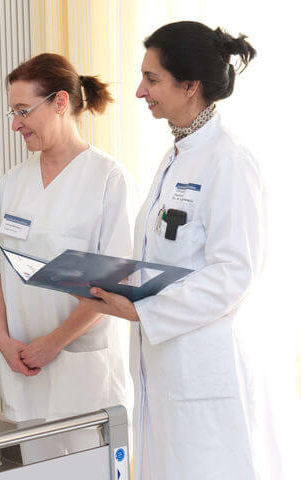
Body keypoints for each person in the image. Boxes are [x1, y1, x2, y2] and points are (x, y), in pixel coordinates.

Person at [78, 21, 266, 479]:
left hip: (201, 371)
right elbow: (170, 258)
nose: (140, 91)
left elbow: (233, 274)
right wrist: (120, 281)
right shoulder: (176, 156)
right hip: (163, 370)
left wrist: (143, 311)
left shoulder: (229, 161)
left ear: (190, 87)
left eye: (152, 79)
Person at [0, 53, 133, 458]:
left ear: (61, 102)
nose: (15, 124)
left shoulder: (107, 178)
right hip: (25, 366)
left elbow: (115, 281)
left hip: (81, 369)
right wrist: (1, 339)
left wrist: (55, 342)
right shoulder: (11, 183)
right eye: (12, 112)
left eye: (23, 111)